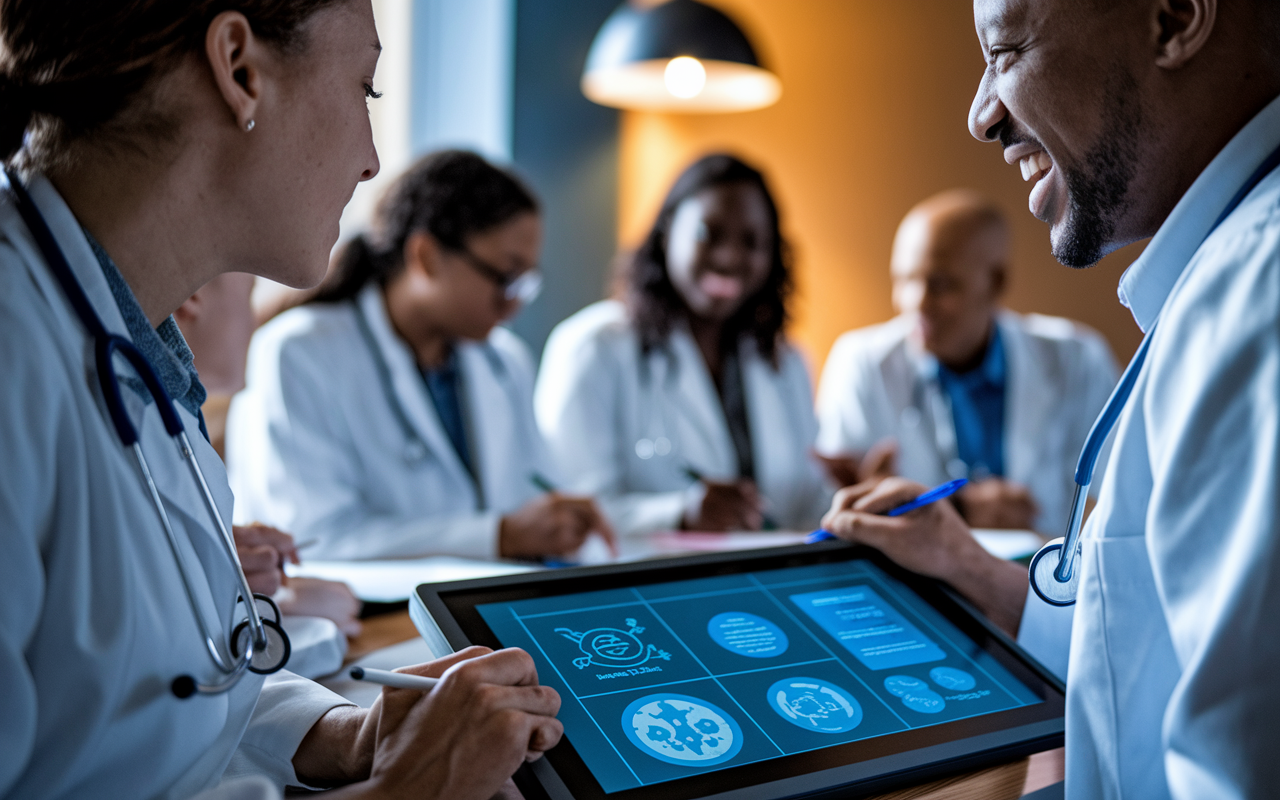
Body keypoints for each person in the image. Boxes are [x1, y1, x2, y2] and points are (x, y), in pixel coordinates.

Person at [0, 2, 561, 799]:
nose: (372, 162)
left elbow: (170, 686)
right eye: (366, 90)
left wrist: (341, 734)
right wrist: (408, 791)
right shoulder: (17, 345)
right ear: (238, 68)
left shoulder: (136, 349)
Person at [822, 0, 1280, 797]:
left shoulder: (1259, 294)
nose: (980, 116)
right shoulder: (1218, 282)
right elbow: (1153, 635)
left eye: (1005, 51)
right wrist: (974, 570)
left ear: (1174, 18)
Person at [228, 150, 616, 562]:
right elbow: (317, 538)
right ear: (426, 257)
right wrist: (496, 536)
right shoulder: (299, 352)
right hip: (367, 616)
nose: (513, 306)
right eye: (505, 277)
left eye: (524, 283)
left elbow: (536, 487)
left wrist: (562, 518)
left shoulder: (504, 362)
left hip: (484, 602)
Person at [536, 154, 834, 536]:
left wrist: (851, 491)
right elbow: (569, 510)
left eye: (752, 242)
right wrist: (679, 513)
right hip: (643, 589)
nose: (730, 258)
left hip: (767, 582)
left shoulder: (785, 359)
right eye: (708, 234)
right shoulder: (593, 347)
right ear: (667, 232)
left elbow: (804, 503)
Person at [814, 190, 1118, 533]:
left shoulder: (1076, 359)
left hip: (1041, 578)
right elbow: (829, 510)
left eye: (941, 284)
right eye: (904, 279)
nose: (917, 303)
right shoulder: (862, 363)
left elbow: (1121, 491)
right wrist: (957, 509)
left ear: (995, 282)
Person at [175, 273, 364, 644]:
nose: (257, 321)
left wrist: (231, 564)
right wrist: (274, 605)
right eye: (250, 296)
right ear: (193, 297)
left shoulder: (182, 423)